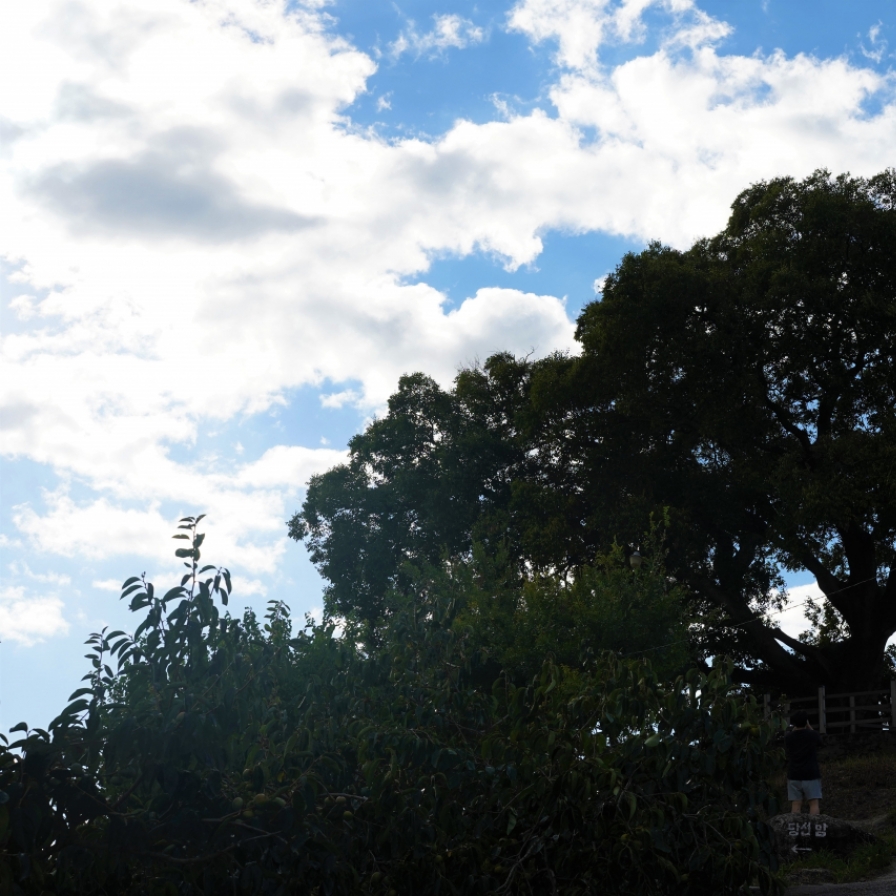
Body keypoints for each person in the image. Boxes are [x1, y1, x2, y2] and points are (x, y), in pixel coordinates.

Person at [785, 709, 822, 814]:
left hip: (794, 774)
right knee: (813, 803)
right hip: (811, 773)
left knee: (796, 804)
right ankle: (814, 828)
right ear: (806, 722)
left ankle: (795, 829)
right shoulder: (812, 735)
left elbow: (789, 739)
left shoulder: (789, 737)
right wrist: (809, 727)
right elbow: (819, 741)